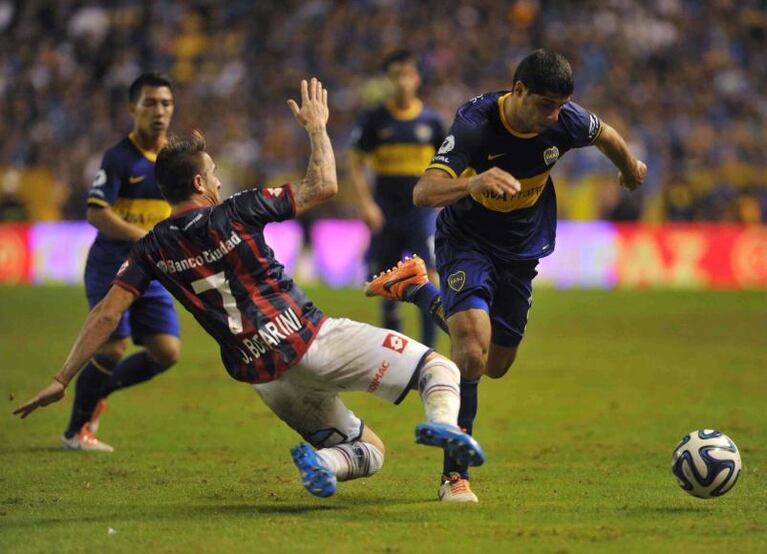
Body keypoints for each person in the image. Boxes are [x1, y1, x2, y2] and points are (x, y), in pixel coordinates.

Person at [13, 78, 485, 500]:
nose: (219, 178)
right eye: (213, 171)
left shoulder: (150, 248)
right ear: (200, 182)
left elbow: (106, 315)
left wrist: (61, 378)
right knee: (437, 367)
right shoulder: (236, 209)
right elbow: (322, 186)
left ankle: (324, 463)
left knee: (367, 450)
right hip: (310, 339)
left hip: (265, 377)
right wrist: (318, 128)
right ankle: (444, 428)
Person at [365, 49, 647, 502]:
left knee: (496, 364)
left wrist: (629, 168)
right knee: (471, 352)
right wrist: (472, 182)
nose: (553, 117)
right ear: (518, 91)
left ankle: (417, 289)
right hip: (466, 241)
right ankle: (454, 476)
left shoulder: (564, 120)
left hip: (520, 251)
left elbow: (605, 134)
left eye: (559, 107)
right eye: (544, 106)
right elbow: (424, 191)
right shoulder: (475, 125)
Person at [64, 72, 182, 452]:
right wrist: (145, 237)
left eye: (165, 104)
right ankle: (75, 432)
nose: (159, 111)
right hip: (112, 265)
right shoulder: (118, 158)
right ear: (132, 108)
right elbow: (97, 212)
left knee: (166, 352)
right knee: (112, 348)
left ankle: (101, 390)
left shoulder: (175, 161)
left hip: (153, 270)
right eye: (150, 103)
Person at [348, 49, 445, 347]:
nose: (403, 82)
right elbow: (354, 160)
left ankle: (430, 350)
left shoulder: (433, 123)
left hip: (421, 215)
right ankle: (399, 352)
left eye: (408, 75)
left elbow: (450, 162)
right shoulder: (374, 120)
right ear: (389, 81)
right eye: (397, 76)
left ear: (417, 79)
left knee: (429, 278)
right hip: (385, 213)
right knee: (386, 284)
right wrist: (365, 203)